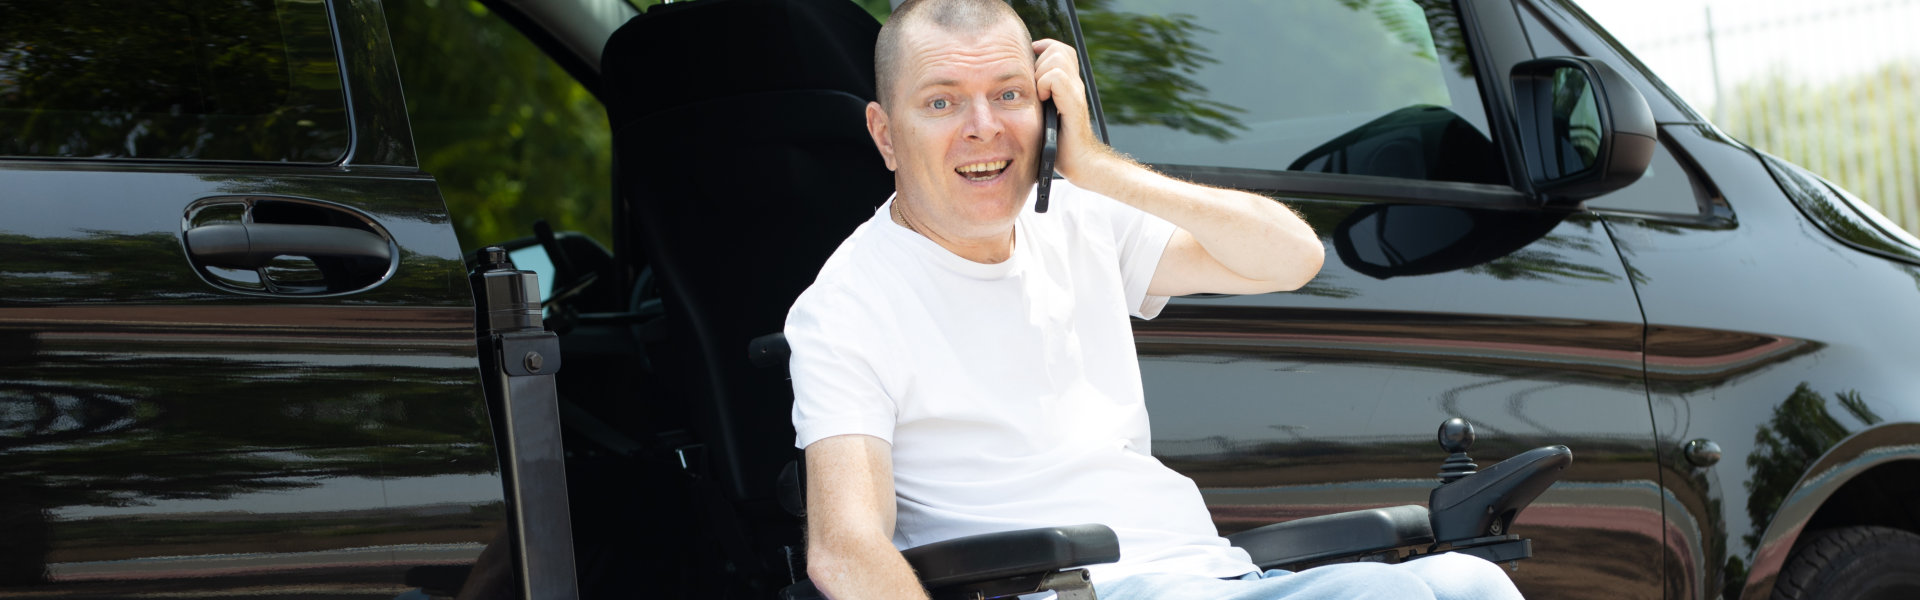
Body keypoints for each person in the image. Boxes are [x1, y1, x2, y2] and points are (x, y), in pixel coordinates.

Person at [784, 0, 1527, 598]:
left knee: (1469, 581)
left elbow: (1290, 257)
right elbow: (845, 552)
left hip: (1209, 571)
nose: (984, 127)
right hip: (1067, 587)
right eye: (942, 102)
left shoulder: (1078, 218)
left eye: (1009, 94)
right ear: (885, 135)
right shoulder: (849, 305)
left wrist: (1097, 166)